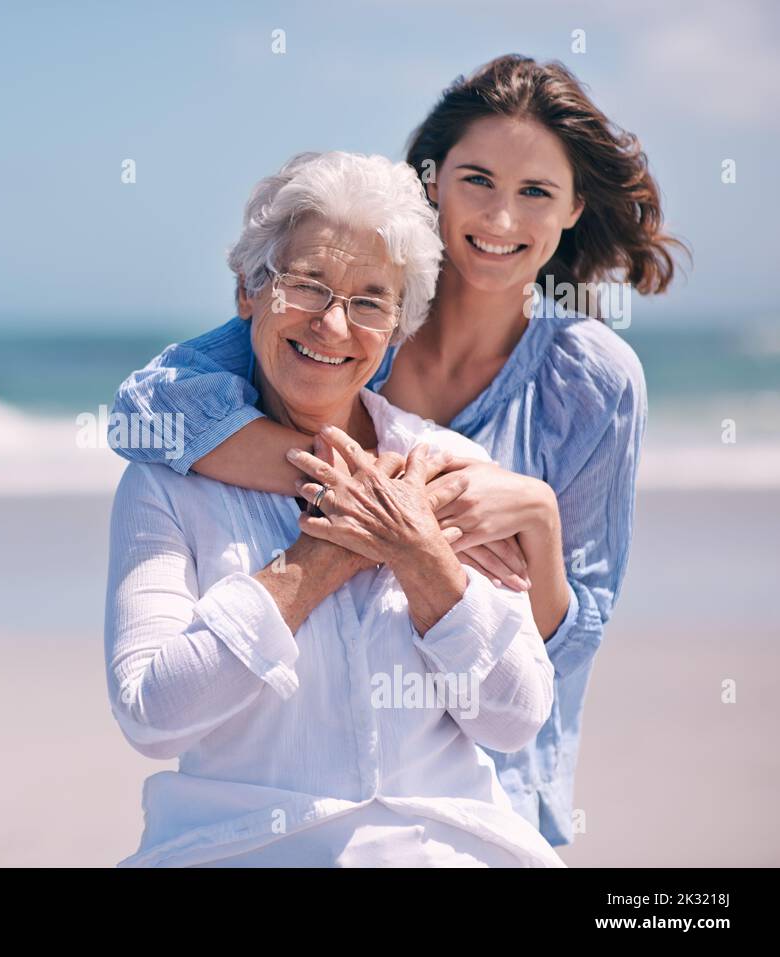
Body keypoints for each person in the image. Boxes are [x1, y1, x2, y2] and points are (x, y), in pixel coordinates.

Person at [108, 55, 683, 846]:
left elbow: (563, 654)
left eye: (536, 192)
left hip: (487, 788)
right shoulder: (344, 298)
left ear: (575, 207)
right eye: (477, 179)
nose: (501, 218)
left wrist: (537, 518)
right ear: (432, 180)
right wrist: (358, 495)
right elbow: (144, 414)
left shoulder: (589, 378)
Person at [104, 151, 563, 866]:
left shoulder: (447, 468)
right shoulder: (167, 482)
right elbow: (151, 713)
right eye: (307, 285)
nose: (334, 324)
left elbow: (515, 716)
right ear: (248, 292)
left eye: (370, 301)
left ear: (397, 329)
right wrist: (323, 554)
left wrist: (421, 556)